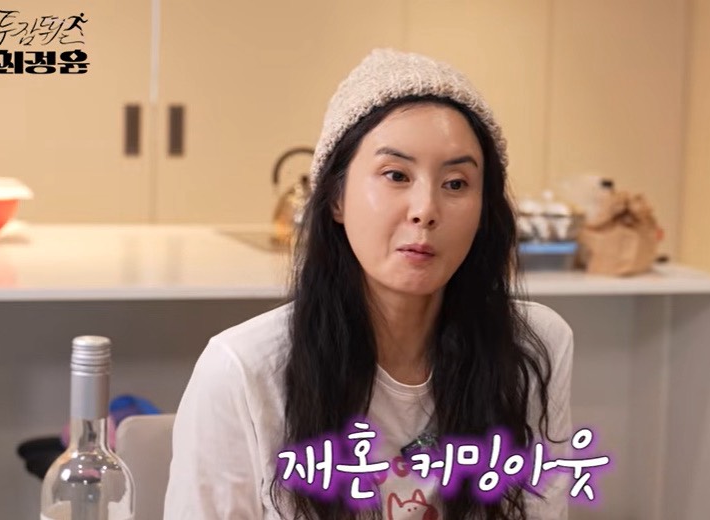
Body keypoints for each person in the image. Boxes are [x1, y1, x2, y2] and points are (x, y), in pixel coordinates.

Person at [163, 48, 574, 519]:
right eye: (396, 175)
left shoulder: (533, 347)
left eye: (456, 183)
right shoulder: (243, 372)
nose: (426, 209)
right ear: (336, 198)